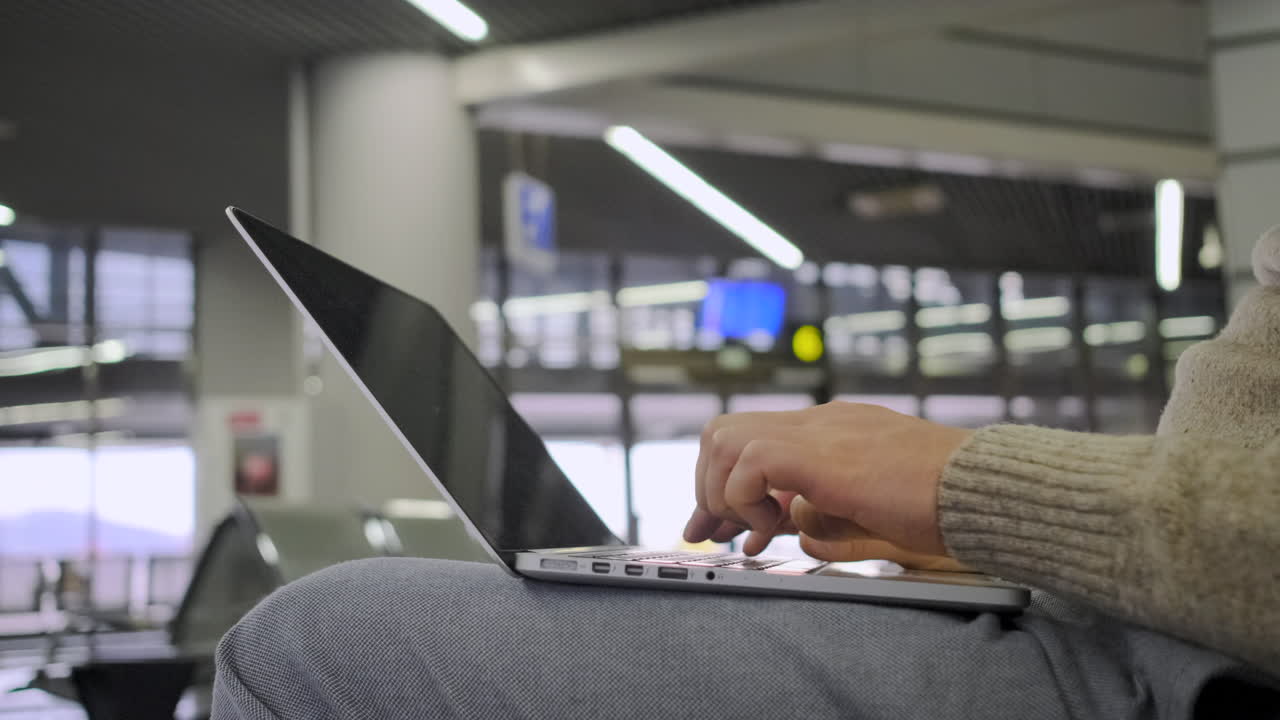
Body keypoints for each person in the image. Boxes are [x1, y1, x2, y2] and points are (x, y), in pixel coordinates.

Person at [211, 229, 1280, 719]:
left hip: (1175, 674)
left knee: (311, 641)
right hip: (1138, 617)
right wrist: (980, 535)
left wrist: (969, 479)